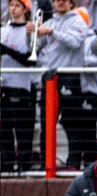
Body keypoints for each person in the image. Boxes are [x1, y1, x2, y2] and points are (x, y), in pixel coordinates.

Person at [31, 0, 89, 168]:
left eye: (64, 0)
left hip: (69, 76)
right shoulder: (49, 22)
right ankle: (45, 164)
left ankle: (73, 164)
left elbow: (75, 42)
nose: (59, 3)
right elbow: (36, 48)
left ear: (71, 3)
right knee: (46, 123)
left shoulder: (77, 20)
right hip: (49, 77)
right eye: (56, 0)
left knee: (72, 124)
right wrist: (31, 34)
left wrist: (51, 32)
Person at [0, 0, 36, 172]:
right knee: (4, 130)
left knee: (22, 131)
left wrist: (6, 51)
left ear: (24, 9)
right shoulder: (3, 31)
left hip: (21, 85)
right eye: (11, 5)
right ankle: (7, 166)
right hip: (3, 85)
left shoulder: (28, 30)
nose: (13, 9)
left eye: (17, 5)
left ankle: (24, 165)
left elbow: (30, 60)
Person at [77, 6, 97, 165]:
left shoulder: (93, 39)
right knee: (75, 130)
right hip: (74, 90)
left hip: (91, 90)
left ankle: (90, 165)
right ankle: (73, 162)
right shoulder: (71, 38)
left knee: (88, 130)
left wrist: (77, 63)